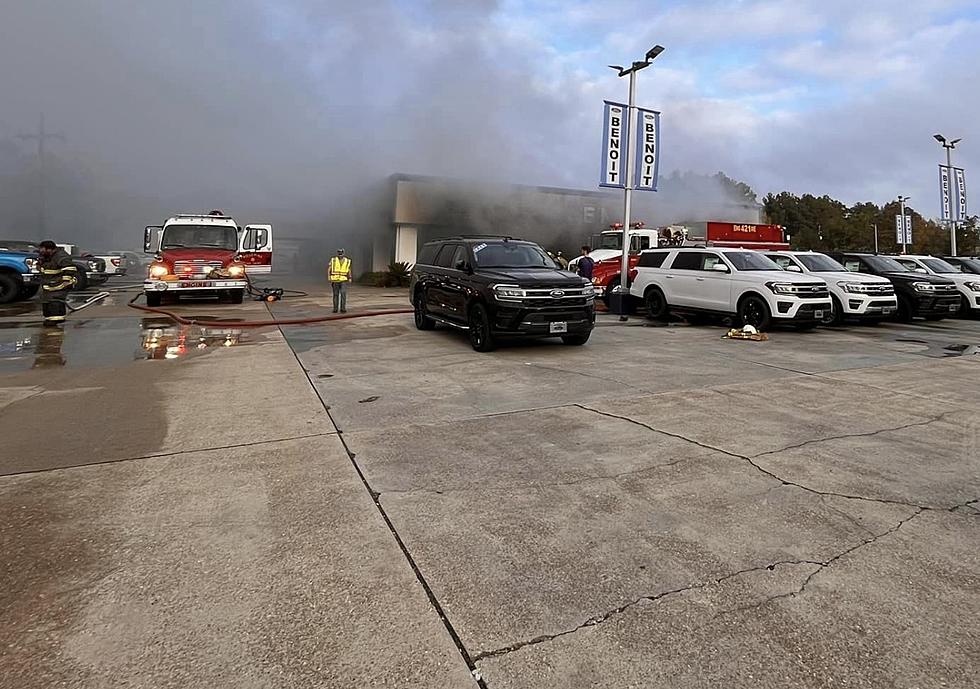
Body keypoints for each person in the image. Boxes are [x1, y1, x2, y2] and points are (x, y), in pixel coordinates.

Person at [37, 240, 77, 325]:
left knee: (55, 300)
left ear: (50, 249)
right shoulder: (46, 256)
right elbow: (45, 268)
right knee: (46, 300)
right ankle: (49, 318)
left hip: (60, 283)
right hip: (50, 283)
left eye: (42, 249)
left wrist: (66, 281)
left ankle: (57, 318)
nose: (41, 251)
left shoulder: (61, 256)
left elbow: (70, 269)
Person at [327, 248, 352, 313]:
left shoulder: (347, 261)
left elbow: (349, 269)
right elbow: (329, 269)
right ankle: (335, 309)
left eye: (341, 253)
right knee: (336, 294)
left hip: (343, 280)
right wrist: (329, 277)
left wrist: (350, 277)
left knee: (343, 293)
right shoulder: (333, 260)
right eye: (339, 253)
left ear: (343, 253)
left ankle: (343, 308)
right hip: (335, 280)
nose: (340, 254)